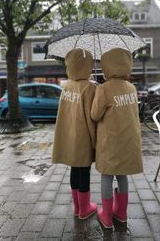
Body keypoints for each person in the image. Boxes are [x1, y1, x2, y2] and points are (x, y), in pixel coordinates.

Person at [91, 48, 143, 228]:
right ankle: (121, 213)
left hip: (110, 141)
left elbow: (95, 115)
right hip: (128, 140)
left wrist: (98, 94)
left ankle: (106, 216)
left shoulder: (104, 88)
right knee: (122, 175)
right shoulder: (132, 88)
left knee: (107, 176)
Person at [52, 48, 97, 219]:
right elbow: (92, 116)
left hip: (69, 135)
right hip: (83, 137)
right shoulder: (89, 88)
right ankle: (85, 209)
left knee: (74, 169)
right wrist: (95, 141)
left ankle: (78, 207)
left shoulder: (67, 86)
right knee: (84, 171)